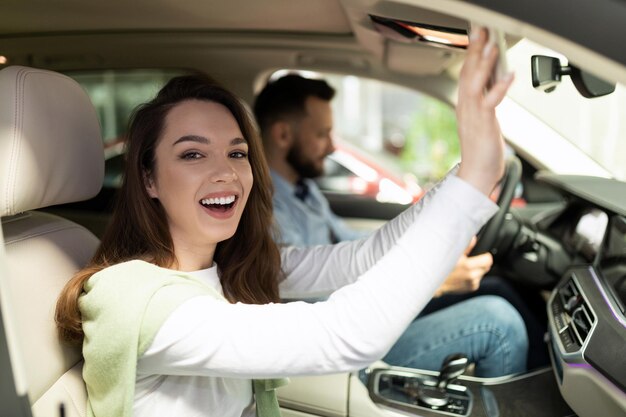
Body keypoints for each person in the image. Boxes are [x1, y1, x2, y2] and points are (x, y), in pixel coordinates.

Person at [55, 29, 525, 417]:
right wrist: (476, 179)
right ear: (149, 179)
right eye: (193, 154)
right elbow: (345, 335)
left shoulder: (231, 267)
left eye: (237, 153)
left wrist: (469, 174)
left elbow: (362, 258)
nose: (226, 172)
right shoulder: (136, 300)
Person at [254, 73, 548, 370]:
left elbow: (353, 246)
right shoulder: (266, 214)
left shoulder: (304, 190)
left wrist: (437, 248)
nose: (332, 147)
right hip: (346, 345)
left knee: (497, 288)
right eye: (322, 134)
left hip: (370, 311)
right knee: (499, 322)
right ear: (282, 136)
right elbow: (311, 301)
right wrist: (431, 282)